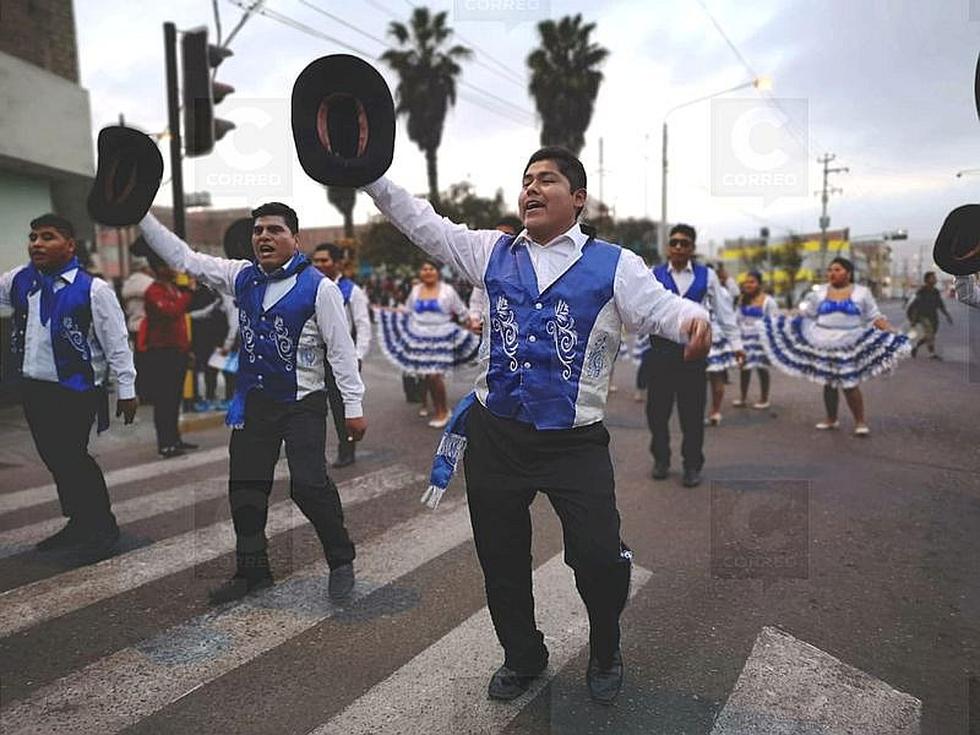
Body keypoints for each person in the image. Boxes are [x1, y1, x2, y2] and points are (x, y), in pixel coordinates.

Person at [362, 146, 710, 705]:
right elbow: (421, 222)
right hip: (497, 436)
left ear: (577, 198)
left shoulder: (615, 263)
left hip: (574, 443)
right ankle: (523, 654)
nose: (530, 188)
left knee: (597, 557)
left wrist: (695, 320)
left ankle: (605, 645)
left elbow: (660, 310)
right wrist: (369, 173)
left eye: (546, 180)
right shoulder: (489, 251)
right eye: (525, 180)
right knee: (501, 558)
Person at [139, 202, 366, 604]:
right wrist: (140, 214)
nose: (264, 236)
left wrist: (353, 407)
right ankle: (253, 571)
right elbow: (185, 258)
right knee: (245, 488)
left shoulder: (321, 288)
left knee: (310, 485)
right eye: (258, 230)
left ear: (295, 240)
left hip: (302, 403)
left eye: (275, 230)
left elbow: (342, 352)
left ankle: (340, 559)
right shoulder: (239, 277)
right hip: (255, 403)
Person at [0, 214, 138, 558]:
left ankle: (102, 525)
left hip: (76, 388)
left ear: (70, 245)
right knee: (55, 458)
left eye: (47, 237)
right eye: (33, 237)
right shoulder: (19, 281)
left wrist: (127, 388)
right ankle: (78, 521)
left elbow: (116, 342)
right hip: (34, 386)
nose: (37, 244)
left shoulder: (93, 289)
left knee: (72, 457)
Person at [761, 257, 909, 436]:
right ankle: (831, 419)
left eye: (837, 270)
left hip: (849, 341)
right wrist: (782, 315)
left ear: (848, 273)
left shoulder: (862, 293)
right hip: (823, 340)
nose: (832, 273)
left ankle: (860, 422)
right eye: (830, 270)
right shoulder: (820, 292)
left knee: (849, 383)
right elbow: (807, 314)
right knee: (829, 382)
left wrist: (890, 330)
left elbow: (874, 316)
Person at [646, 225, 742, 487]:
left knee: (692, 414)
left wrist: (736, 343)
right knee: (657, 412)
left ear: (692, 248)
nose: (678, 247)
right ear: (668, 247)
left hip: (693, 355)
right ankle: (661, 459)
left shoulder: (707, 276)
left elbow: (724, 311)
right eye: (674, 242)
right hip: (661, 352)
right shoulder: (652, 275)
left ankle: (692, 465)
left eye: (684, 243)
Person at [375, 259, 477, 428]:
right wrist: (387, 311)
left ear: (437, 272)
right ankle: (437, 408)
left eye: (431, 269)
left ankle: (443, 411)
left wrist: (471, 325)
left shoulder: (447, 291)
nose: (428, 272)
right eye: (424, 269)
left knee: (434, 375)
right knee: (428, 377)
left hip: (442, 336)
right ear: (420, 273)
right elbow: (407, 311)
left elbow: (462, 312)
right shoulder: (416, 290)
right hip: (421, 337)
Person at [312, 242, 372, 467]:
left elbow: (363, 325)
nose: (319, 265)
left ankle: (346, 449)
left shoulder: (352, 291)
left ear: (337, 263)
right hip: (316, 355)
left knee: (340, 406)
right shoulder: (311, 287)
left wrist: (357, 356)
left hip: (341, 357)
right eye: (315, 261)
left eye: (324, 260)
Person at [143, 253, 198, 458]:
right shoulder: (154, 291)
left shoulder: (173, 288)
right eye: (168, 265)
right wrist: (188, 294)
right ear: (159, 268)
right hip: (162, 352)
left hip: (178, 351)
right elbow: (171, 312)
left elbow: (180, 322)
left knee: (175, 398)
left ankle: (175, 439)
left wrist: (187, 349)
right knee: (164, 400)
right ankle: (165, 443)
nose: (174, 268)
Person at [732, 271, 778, 409]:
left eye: (752, 282)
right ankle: (743, 397)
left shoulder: (768, 301)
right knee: (744, 368)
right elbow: (737, 318)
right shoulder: (742, 300)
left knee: (762, 369)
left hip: (761, 340)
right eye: (746, 282)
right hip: (745, 339)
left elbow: (774, 320)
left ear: (759, 284)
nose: (748, 285)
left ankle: (764, 398)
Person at [120, 255, 154, 402]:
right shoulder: (149, 283)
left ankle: (140, 391)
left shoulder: (127, 284)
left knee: (138, 360)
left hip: (133, 326)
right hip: (147, 326)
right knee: (150, 361)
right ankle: (150, 392)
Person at [907, 272, 952, 359]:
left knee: (930, 335)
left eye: (935, 277)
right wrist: (913, 320)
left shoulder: (935, 291)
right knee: (930, 333)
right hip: (923, 316)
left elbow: (940, 304)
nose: (935, 279)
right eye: (933, 277)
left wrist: (947, 315)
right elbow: (915, 306)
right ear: (927, 280)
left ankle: (916, 346)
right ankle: (932, 354)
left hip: (933, 316)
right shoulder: (921, 291)